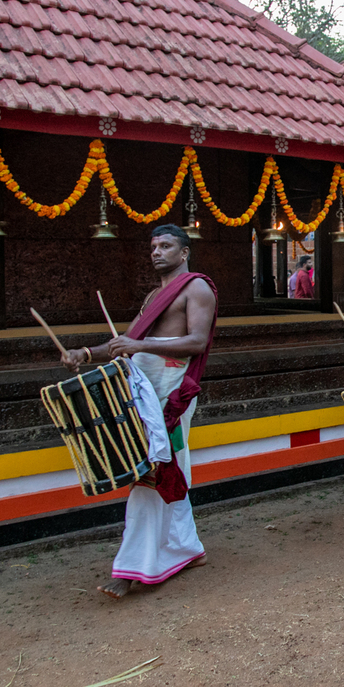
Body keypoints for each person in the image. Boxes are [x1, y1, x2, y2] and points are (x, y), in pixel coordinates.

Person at [61, 224, 218, 599]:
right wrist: (84, 354)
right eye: (153, 246)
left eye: (166, 246)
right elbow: (124, 344)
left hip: (171, 394)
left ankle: (133, 568)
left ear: (184, 253)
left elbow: (197, 341)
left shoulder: (196, 288)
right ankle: (189, 549)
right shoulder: (154, 296)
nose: (157, 252)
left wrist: (139, 344)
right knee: (169, 471)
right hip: (145, 392)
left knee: (150, 474)